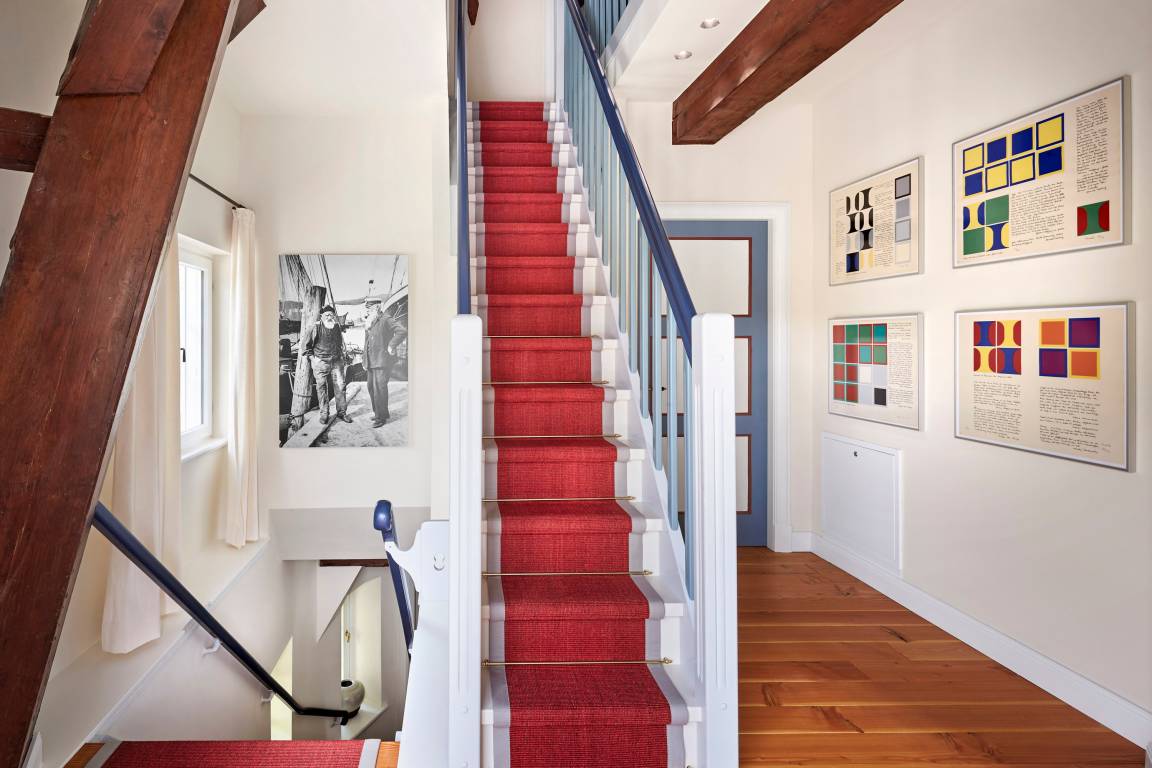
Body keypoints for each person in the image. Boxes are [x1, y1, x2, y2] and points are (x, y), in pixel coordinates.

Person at [300, 305, 353, 425]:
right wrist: (313, 359)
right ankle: (324, 414)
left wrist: (341, 356)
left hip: (336, 361)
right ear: (322, 316)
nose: (329, 317)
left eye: (331, 315)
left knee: (340, 386)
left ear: (334, 316)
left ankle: (342, 412)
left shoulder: (336, 327)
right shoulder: (315, 327)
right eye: (327, 315)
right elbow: (305, 347)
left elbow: (339, 343)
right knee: (321, 388)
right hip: (320, 362)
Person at [363, 297, 407, 427]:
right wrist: (364, 360)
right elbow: (366, 343)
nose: (368, 311)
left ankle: (380, 418)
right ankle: (380, 412)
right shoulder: (370, 321)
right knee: (371, 387)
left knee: (379, 389)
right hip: (371, 361)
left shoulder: (386, 319)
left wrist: (391, 345)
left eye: (370, 309)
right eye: (367, 309)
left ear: (377, 307)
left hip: (382, 360)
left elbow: (402, 331)